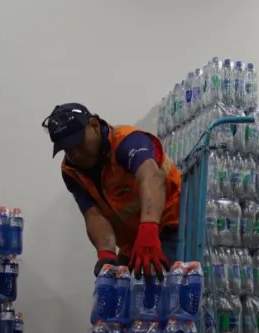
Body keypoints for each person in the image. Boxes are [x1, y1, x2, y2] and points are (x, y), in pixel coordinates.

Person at [42, 103, 182, 280]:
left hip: (168, 225)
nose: (75, 154)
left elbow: (150, 177)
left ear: (93, 125)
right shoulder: (71, 171)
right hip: (133, 242)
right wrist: (106, 253)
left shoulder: (126, 141)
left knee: (157, 291)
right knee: (117, 294)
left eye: (78, 143)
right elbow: (93, 214)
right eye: (67, 149)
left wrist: (149, 229)